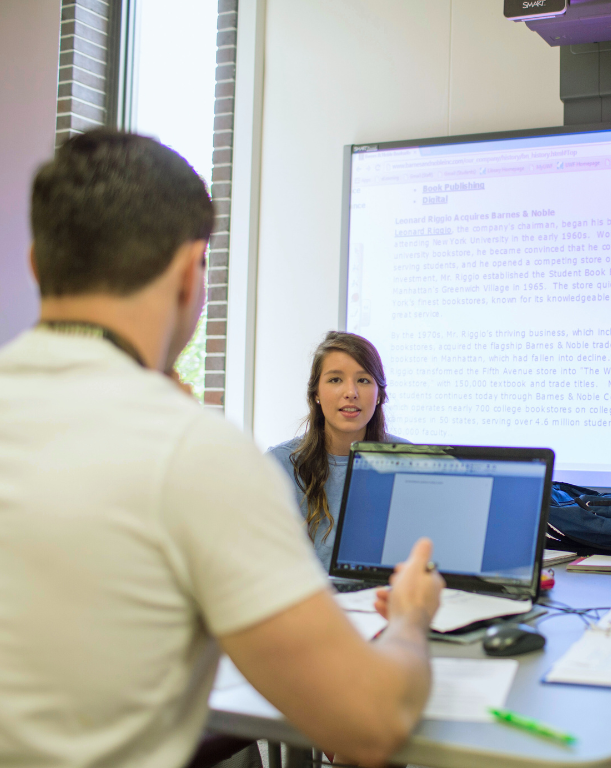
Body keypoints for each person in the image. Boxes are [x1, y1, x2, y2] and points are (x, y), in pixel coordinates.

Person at [0, 130, 443, 768]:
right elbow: (371, 721)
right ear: (189, 275)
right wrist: (408, 618)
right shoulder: (192, 454)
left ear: (38, 263)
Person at [268, 332, 408, 568]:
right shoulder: (280, 464)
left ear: (379, 395)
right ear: (316, 394)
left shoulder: (409, 460)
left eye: (363, 380)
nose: (351, 392)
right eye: (335, 380)